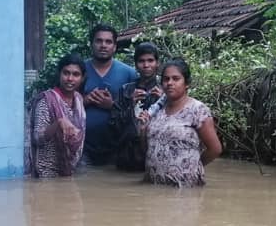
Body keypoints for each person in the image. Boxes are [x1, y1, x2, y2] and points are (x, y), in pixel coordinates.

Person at [139, 58, 223, 187]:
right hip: (153, 186)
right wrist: (143, 129)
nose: (170, 83)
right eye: (166, 79)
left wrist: (193, 165)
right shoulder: (156, 110)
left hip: (184, 188)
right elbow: (148, 149)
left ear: (187, 83)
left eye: (176, 79)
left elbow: (215, 149)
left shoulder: (198, 110)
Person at [82, 24, 137, 165]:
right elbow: (63, 105)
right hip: (82, 149)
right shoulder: (78, 71)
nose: (103, 45)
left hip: (118, 149)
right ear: (91, 44)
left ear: (114, 46)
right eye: (99, 41)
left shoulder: (129, 73)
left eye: (108, 42)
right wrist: (85, 100)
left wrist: (112, 105)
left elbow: (138, 112)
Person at [27, 53, 86, 178]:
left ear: (82, 78)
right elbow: (37, 137)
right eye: (66, 73)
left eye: (76, 74)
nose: (70, 78)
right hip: (46, 172)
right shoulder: (46, 100)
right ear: (59, 74)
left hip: (69, 171)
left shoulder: (79, 100)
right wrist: (58, 123)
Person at [111, 41, 164, 172]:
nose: (146, 65)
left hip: (156, 157)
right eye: (141, 61)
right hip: (127, 157)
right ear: (136, 65)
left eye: (150, 60)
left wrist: (164, 101)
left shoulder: (166, 90)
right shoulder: (125, 90)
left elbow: (177, 123)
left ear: (157, 63)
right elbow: (113, 125)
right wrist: (131, 104)